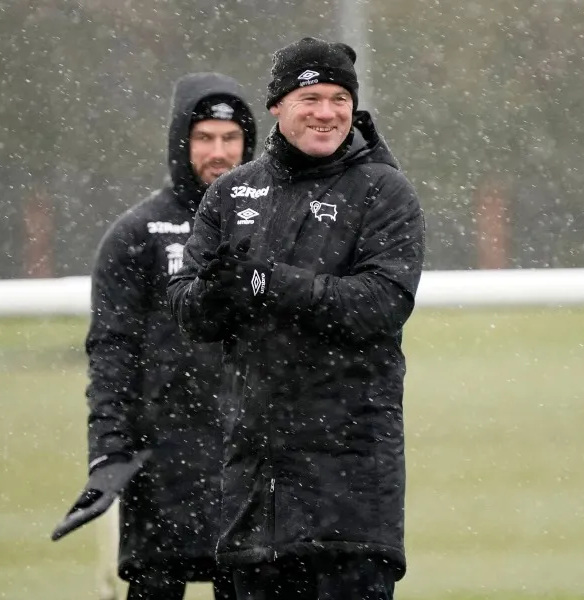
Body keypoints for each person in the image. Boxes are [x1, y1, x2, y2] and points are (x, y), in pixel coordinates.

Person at [167, 38, 426, 600]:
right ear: (277, 106)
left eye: (340, 98)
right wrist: (221, 292)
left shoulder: (384, 189)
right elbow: (189, 311)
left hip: (352, 497)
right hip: (252, 495)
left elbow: (381, 302)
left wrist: (273, 283)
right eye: (310, 97)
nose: (327, 113)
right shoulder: (232, 194)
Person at [52, 72, 257, 600]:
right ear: (181, 142)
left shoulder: (274, 224)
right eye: (205, 137)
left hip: (253, 468)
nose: (218, 151)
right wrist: (108, 453)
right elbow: (111, 352)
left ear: (248, 142)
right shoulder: (137, 234)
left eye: (230, 138)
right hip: (161, 470)